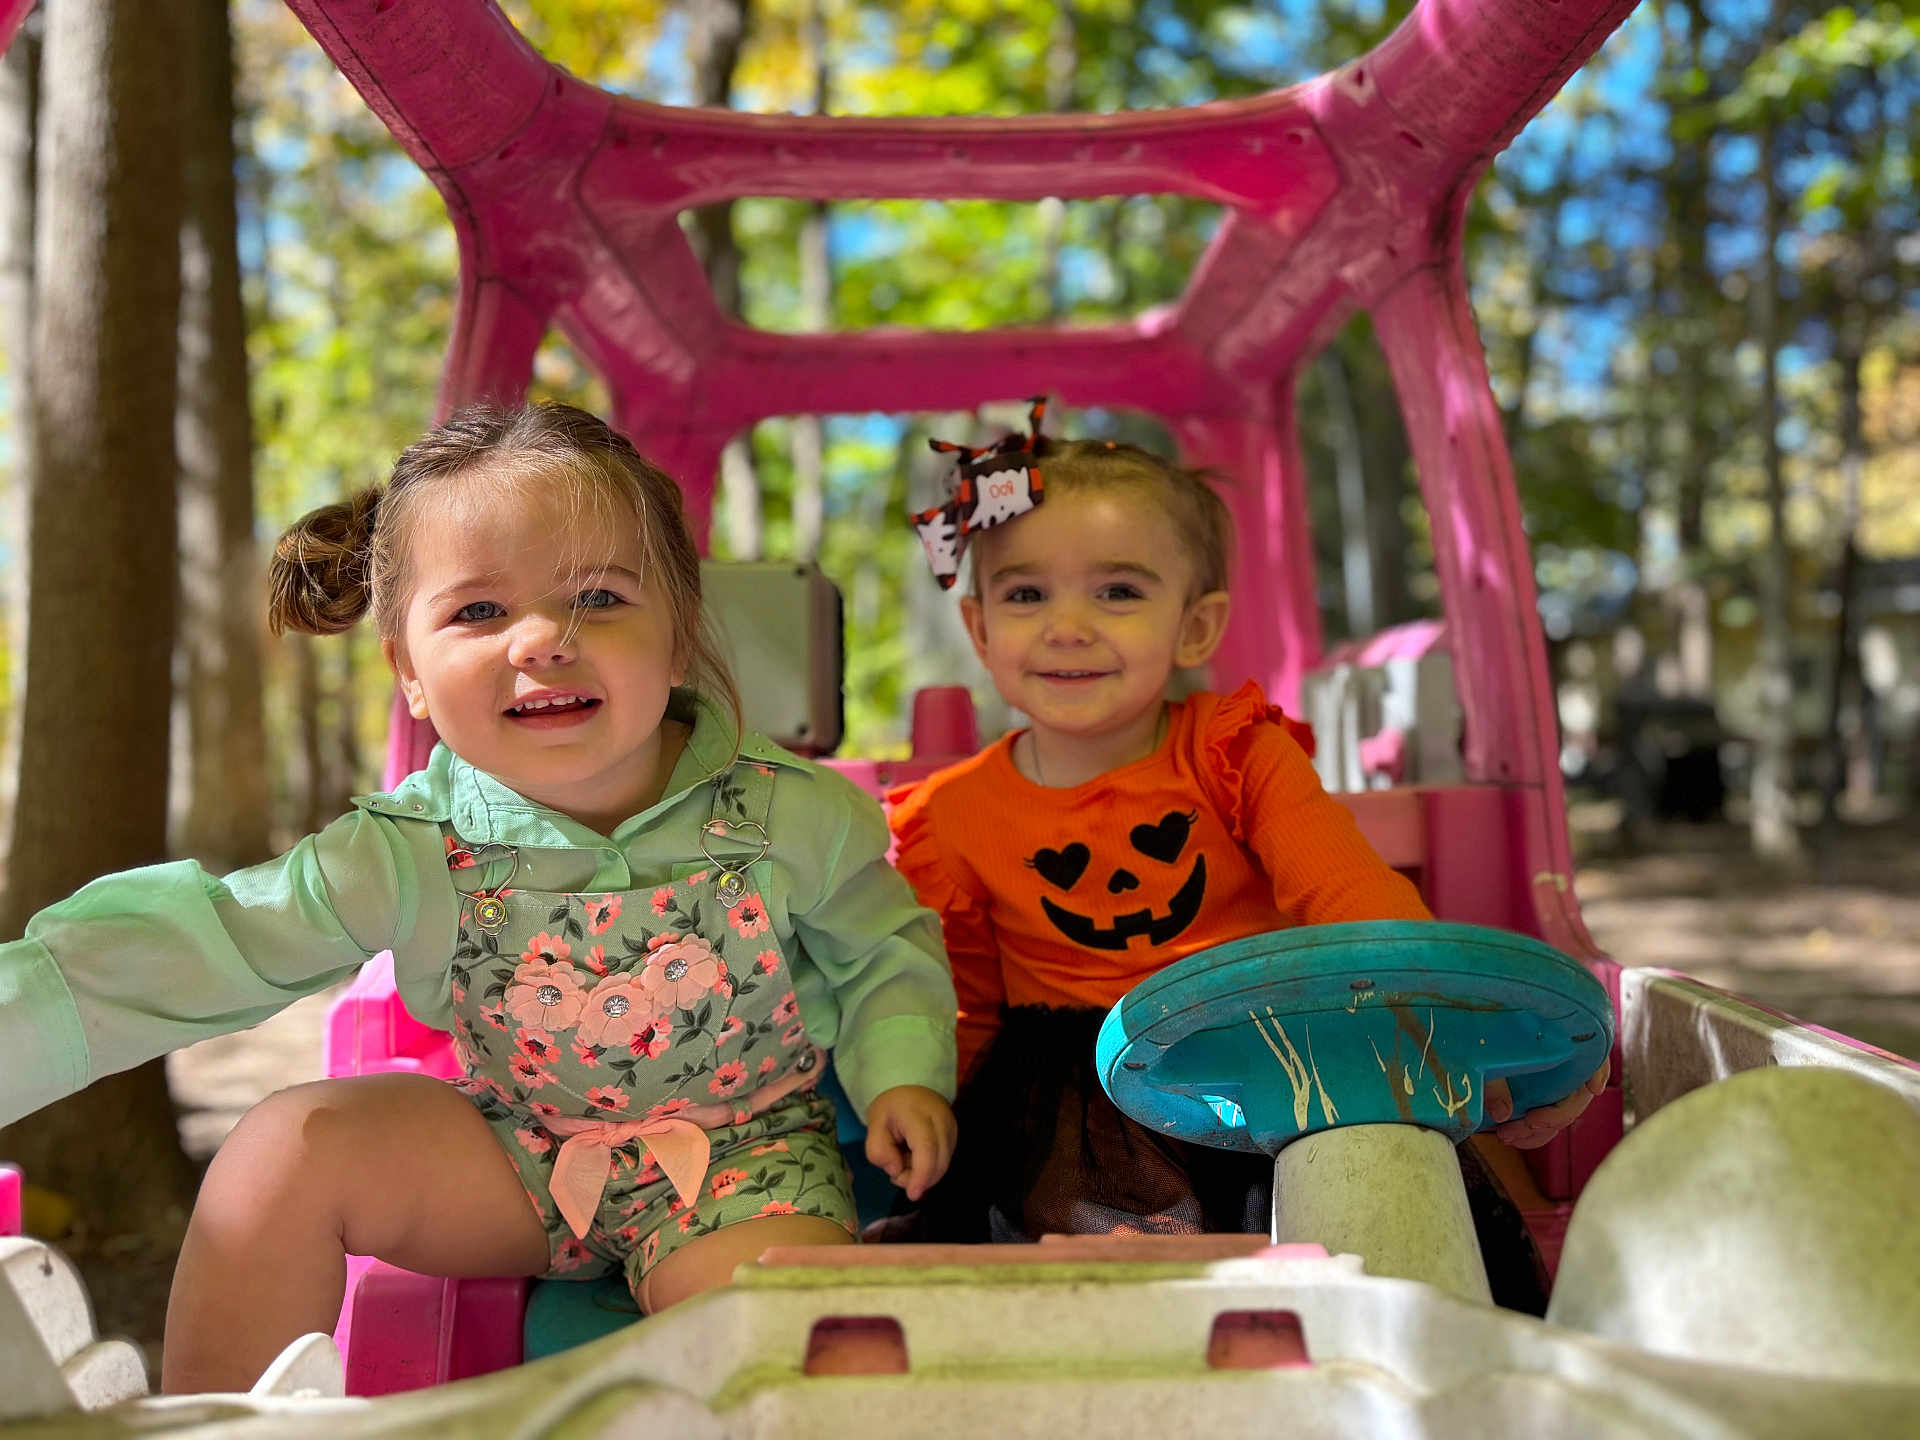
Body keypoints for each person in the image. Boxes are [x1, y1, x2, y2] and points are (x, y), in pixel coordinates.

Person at [0, 402, 958, 1393]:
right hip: (517, 1153)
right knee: (281, 1148)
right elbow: (215, 938)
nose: (542, 639)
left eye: (597, 598)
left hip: (742, 1163)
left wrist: (902, 1072)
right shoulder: (411, 847)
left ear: (678, 638)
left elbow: (886, 950)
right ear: (409, 672)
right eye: (479, 612)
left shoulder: (788, 817)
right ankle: (219, 1420)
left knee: (777, 1342)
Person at [888, 406, 1607, 1245]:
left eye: (1118, 591)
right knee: (1059, 1248)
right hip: (1067, 1104)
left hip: (1264, 1054)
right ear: (980, 628)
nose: (1068, 625)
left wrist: (1447, 1032)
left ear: (1194, 626)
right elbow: (961, 1006)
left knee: (1380, 1196)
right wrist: (929, 1103)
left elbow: (1355, 902)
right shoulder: (954, 814)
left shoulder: (1234, 753)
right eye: (1026, 594)